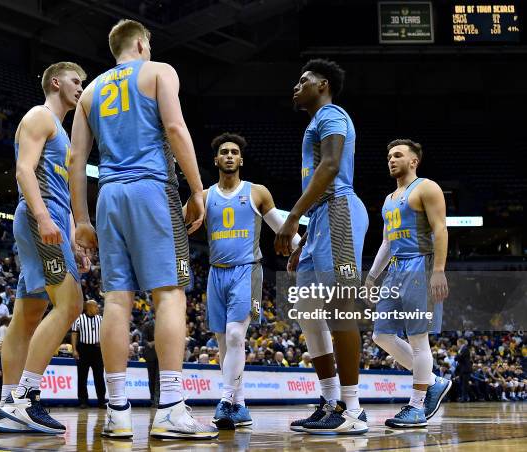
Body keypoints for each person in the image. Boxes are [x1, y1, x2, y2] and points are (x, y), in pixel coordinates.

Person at [69, 19, 217, 440]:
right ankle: (170, 406)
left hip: (109, 196)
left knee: (116, 298)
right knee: (169, 293)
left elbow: (77, 159)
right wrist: (197, 189)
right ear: (140, 43)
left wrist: (81, 218)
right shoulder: (159, 71)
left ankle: (117, 411)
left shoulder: (91, 91)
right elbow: (174, 128)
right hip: (152, 189)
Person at [0, 61, 89, 434]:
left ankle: (7, 402)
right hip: (39, 218)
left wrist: (73, 241)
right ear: (56, 81)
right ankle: (26, 397)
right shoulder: (40, 116)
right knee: (72, 304)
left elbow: (62, 195)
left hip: (49, 221)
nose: (81, 88)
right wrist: (44, 217)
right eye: (76, 81)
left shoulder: (62, 135)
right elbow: (23, 170)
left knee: (28, 316)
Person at [276, 59, 368, 434]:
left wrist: (293, 216)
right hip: (323, 220)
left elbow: (330, 167)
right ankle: (330, 402)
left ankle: (353, 409)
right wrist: (308, 236)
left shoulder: (332, 114)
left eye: (303, 81)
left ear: (323, 84)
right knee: (309, 312)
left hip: (340, 211)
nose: (296, 87)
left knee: (340, 309)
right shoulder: (316, 122)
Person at [202, 132, 300, 429]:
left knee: (235, 336)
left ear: (241, 159)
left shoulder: (257, 192)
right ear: (216, 159)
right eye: (224, 152)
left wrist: (301, 252)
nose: (229, 155)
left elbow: (281, 229)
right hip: (215, 272)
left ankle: (226, 400)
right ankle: (240, 405)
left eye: (234, 152)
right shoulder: (205, 196)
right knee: (223, 342)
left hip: (247, 269)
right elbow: (179, 225)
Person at [366, 139, 451, 427]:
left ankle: (416, 406)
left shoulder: (427, 187)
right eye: (389, 155)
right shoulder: (389, 199)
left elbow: (440, 229)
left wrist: (438, 270)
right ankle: (434, 381)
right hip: (395, 269)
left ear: (413, 161)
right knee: (381, 335)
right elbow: (387, 241)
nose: (391, 159)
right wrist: (372, 276)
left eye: (398, 155)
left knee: (418, 340)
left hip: (421, 265)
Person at [71, 300, 105, 408]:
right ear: (89, 307)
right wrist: (74, 349)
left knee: (99, 376)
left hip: (97, 350)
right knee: (82, 376)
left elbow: (106, 332)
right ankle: (83, 401)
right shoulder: (79, 319)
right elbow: (74, 334)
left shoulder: (101, 319)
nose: (98, 308)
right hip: (83, 349)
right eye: (96, 307)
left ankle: (101, 401)